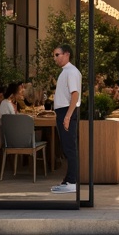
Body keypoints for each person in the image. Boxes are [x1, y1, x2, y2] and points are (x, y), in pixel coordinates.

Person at [50, 44, 81, 194]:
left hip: (67, 112)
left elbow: (75, 95)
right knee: (66, 147)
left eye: (57, 55)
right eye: (54, 55)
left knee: (70, 147)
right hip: (63, 112)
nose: (55, 58)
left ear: (67, 54)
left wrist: (68, 116)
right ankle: (68, 180)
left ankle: (72, 181)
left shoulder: (71, 72)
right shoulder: (66, 72)